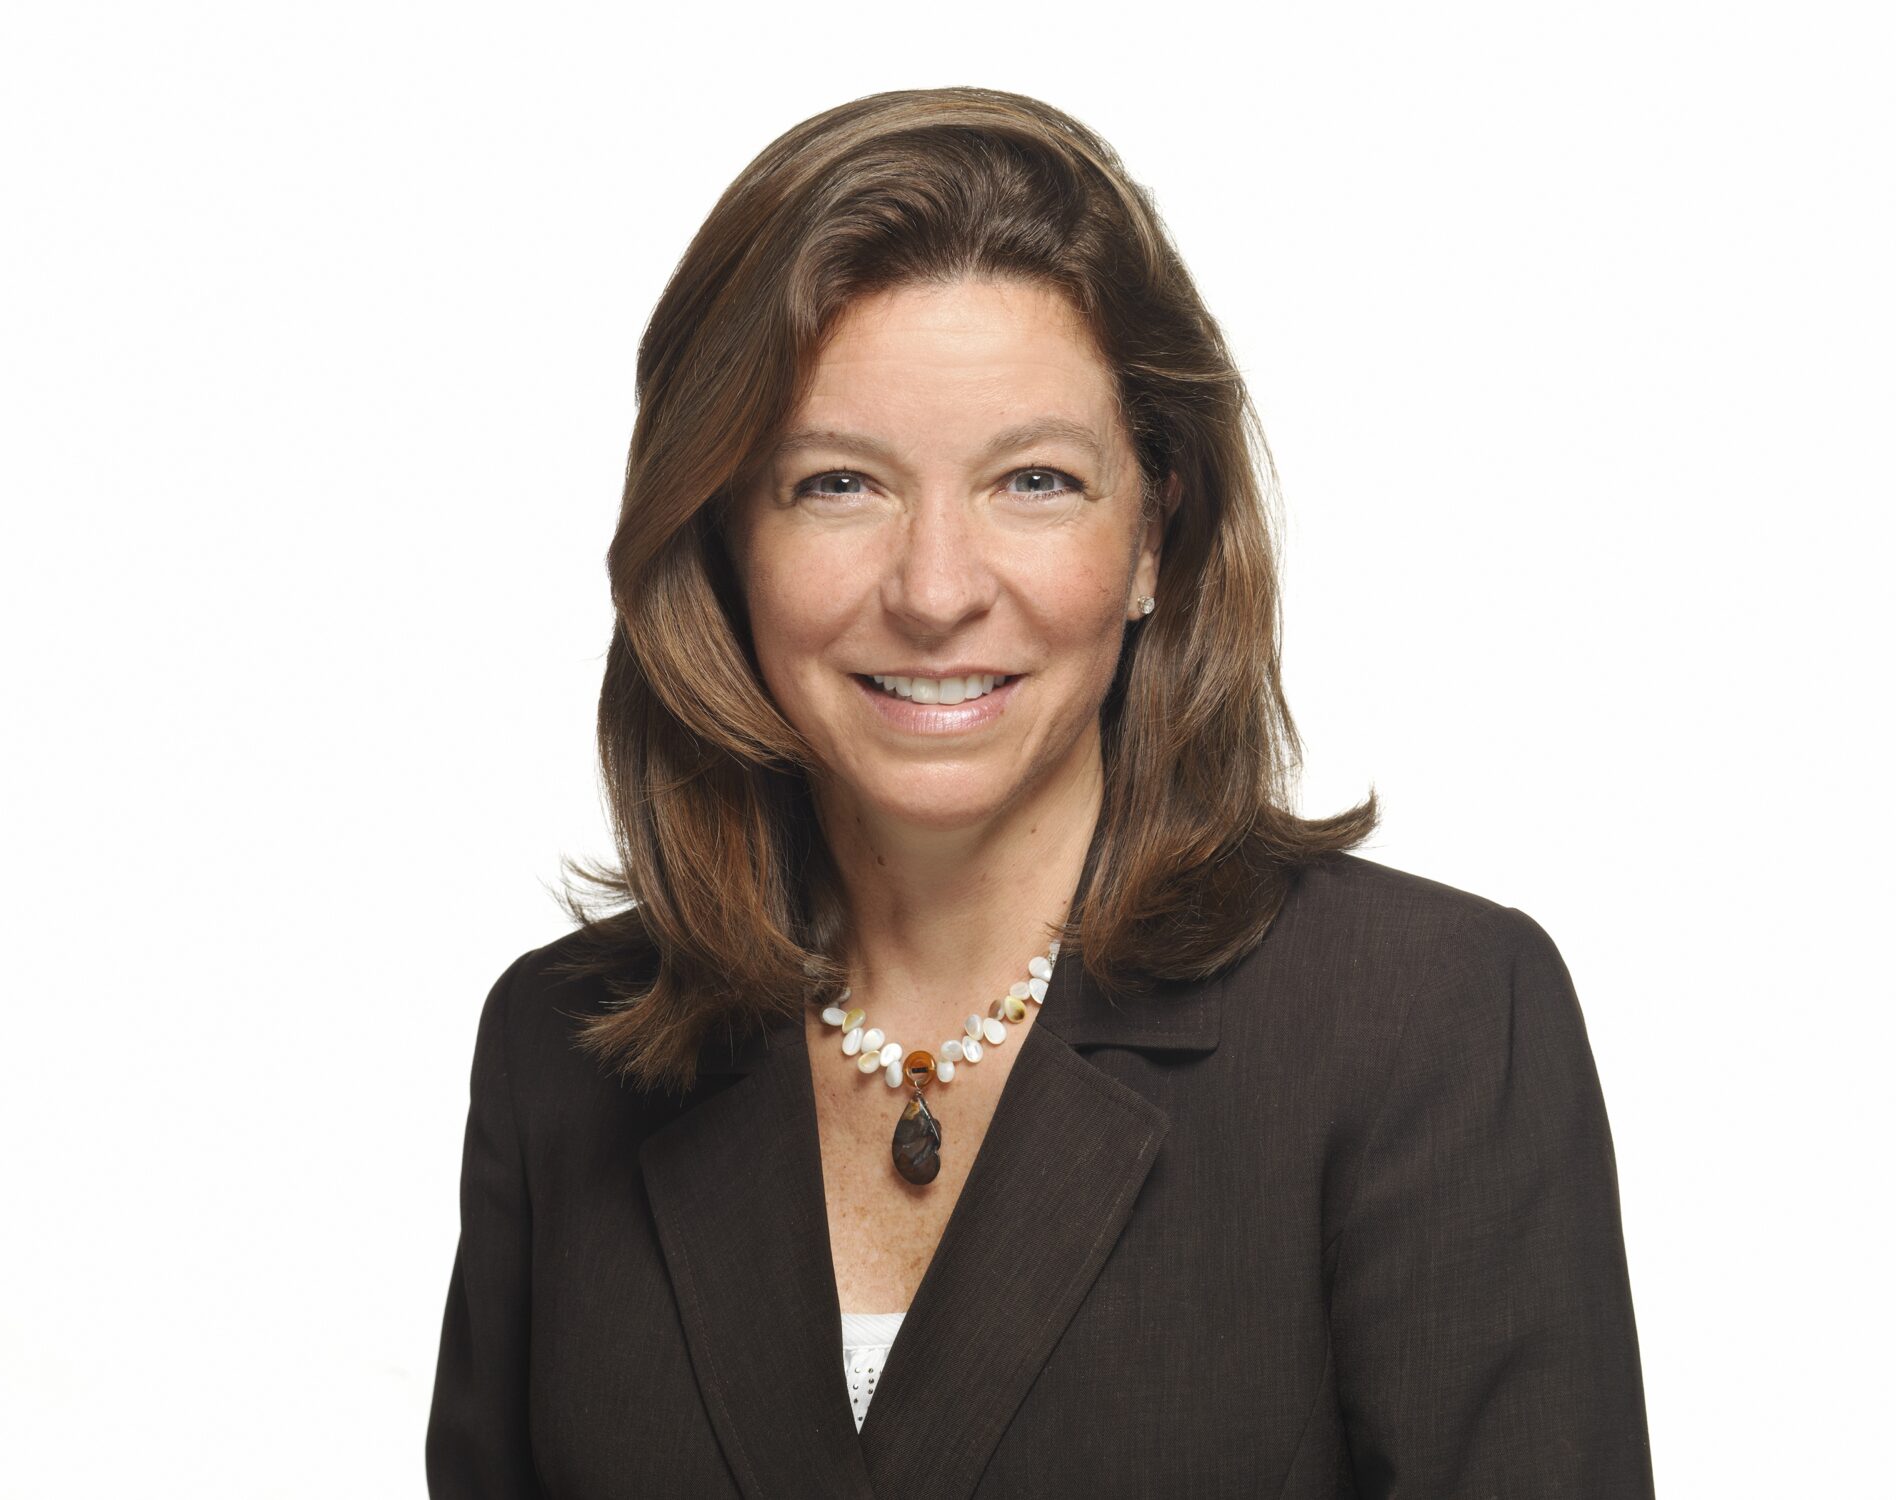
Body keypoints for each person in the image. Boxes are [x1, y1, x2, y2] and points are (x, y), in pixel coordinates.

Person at [424, 86, 1655, 1499]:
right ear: (719, 538)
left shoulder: (1425, 1024)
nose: (936, 589)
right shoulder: (559, 1053)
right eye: (837, 484)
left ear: (1155, 536)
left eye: (1036, 481)